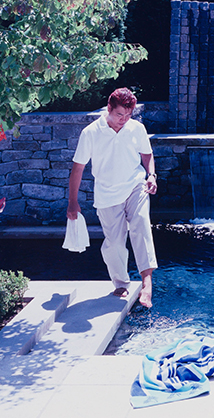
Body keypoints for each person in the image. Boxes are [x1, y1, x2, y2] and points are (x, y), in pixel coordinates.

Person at [67, 88, 158, 308]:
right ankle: (120, 283)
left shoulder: (136, 128)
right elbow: (78, 168)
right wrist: (72, 202)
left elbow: (147, 154)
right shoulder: (90, 133)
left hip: (136, 185)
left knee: (141, 226)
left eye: (128, 116)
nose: (124, 120)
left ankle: (147, 283)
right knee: (115, 243)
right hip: (107, 194)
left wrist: (151, 175)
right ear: (109, 109)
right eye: (120, 115)